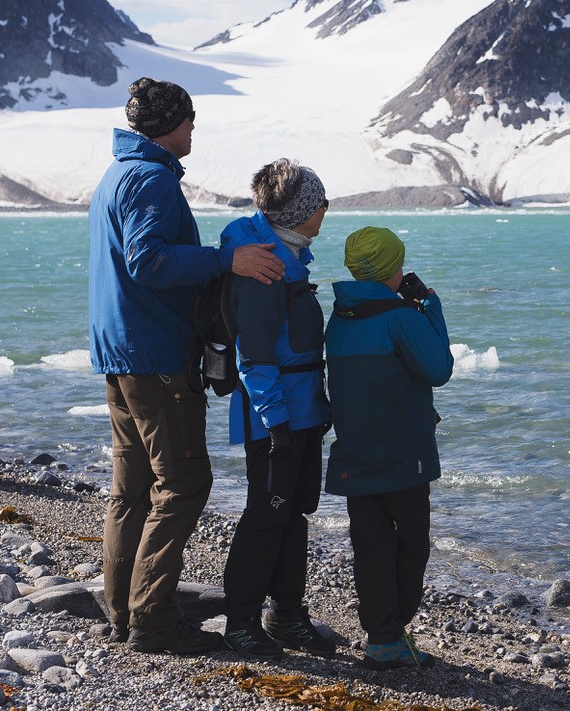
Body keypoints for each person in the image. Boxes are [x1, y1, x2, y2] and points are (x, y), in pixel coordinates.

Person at [88, 76, 284, 656]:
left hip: (122, 351)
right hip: (155, 356)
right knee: (183, 482)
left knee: (133, 488)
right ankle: (152, 621)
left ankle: (122, 612)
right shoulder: (150, 178)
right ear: (172, 124)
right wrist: (228, 260)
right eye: (190, 118)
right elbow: (147, 260)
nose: (194, 127)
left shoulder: (118, 173)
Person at [218, 159, 336, 661]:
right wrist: (277, 423)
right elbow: (254, 356)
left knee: (293, 513)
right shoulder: (266, 267)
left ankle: (286, 614)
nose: (326, 208)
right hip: (276, 417)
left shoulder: (289, 258)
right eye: (320, 202)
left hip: (301, 411)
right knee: (266, 516)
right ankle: (241, 622)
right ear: (300, 212)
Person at [324, 227, 453, 669]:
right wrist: (431, 309)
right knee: (412, 543)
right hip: (402, 456)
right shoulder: (401, 317)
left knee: (371, 545)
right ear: (391, 268)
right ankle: (391, 632)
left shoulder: (340, 317)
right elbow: (439, 369)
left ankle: (381, 637)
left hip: (355, 453)